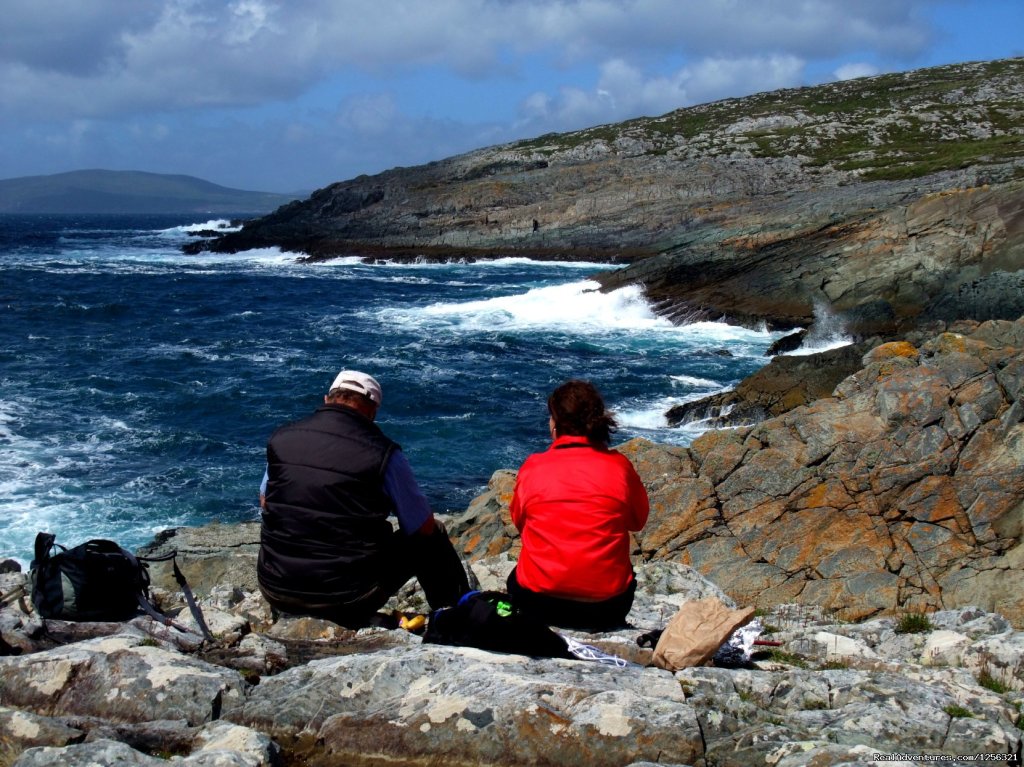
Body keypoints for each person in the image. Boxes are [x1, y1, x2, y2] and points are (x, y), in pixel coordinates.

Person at [257, 369, 470, 627]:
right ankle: (458, 618)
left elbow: (266, 502)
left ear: (327, 399)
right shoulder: (383, 453)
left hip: (275, 587)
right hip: (347, 596)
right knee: (431, 534)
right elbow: (421, 526)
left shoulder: (283, 438)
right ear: (372, 412)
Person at [507, 379, 649, 630]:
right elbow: (637, 522)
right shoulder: (619, 466)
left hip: (538, 603)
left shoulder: (533, 466)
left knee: (514, 579)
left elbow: (520, 522)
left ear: (556, 424)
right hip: (605, 608)